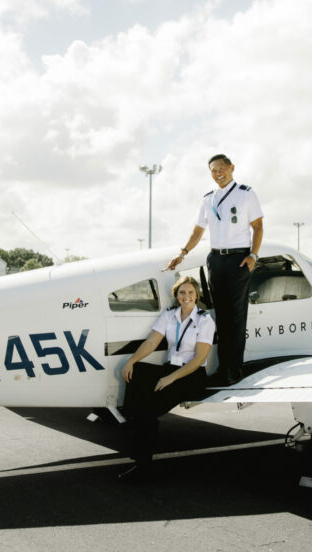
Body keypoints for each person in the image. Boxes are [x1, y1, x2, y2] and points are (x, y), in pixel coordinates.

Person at [166, 154, 263, 386]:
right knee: (221, 315)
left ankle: (234, 370)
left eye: (221, 168)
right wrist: (182, 253)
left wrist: (253, 255)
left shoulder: (246, 193)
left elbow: (258, 227)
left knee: (237, 316)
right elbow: (198, 232)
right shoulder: (208, 199)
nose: (218, 173)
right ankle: (223, 368)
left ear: (231, 168)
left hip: (239, 259)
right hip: (216, 260)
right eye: (213, 170)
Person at [118, 275, 215, 482]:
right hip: (171, 369)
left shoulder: (205, 320)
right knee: (138, 371)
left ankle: (143, 465)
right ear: (176, 295)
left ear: (197, 295)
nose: (186, 296)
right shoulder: (169, 315)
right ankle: (134, 416)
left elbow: (199, 359)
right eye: (182, 292)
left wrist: (171, 378)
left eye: (190, 292)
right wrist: (131, 361)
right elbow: (152, 342)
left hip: (191, 375)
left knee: (148, 410)